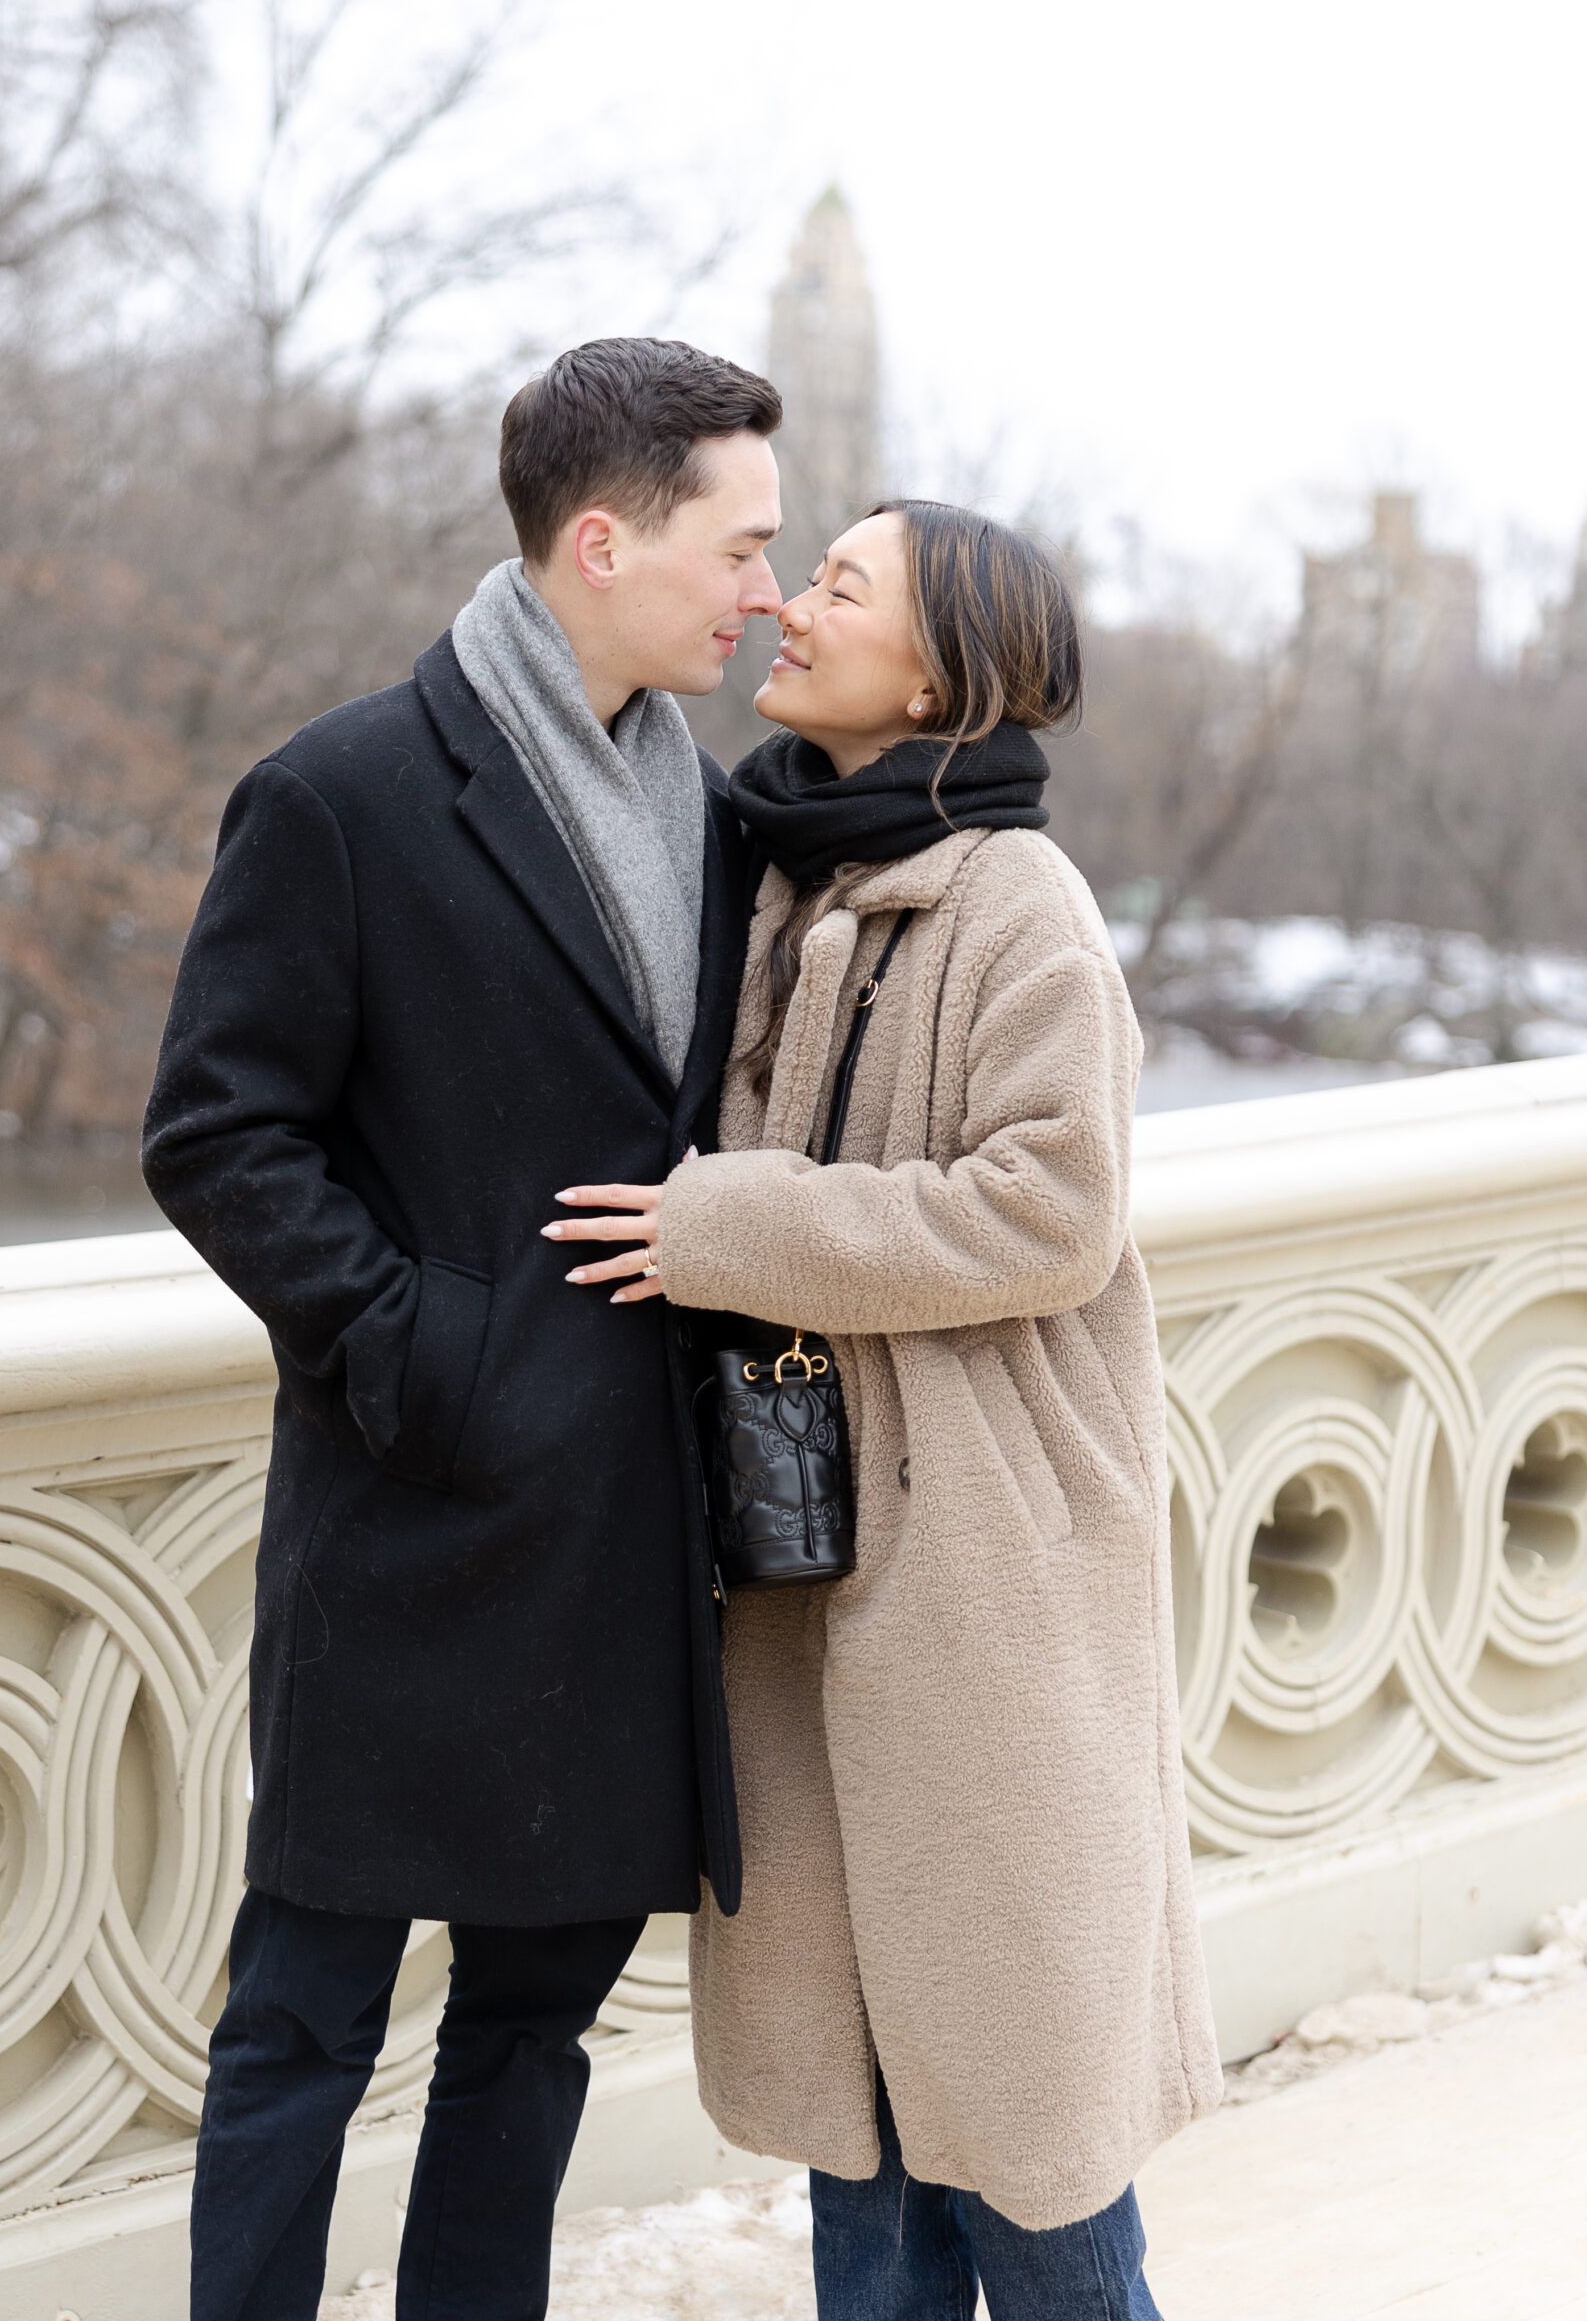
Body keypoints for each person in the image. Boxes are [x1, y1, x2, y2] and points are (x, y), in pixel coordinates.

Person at [141, 337, 784, 2321]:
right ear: (600, 539)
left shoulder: (731, 823)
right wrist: (426, 1342)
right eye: (739, 546)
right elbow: (216, 1129)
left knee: (531, 2031)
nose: (763, 587)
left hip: (624, 1543)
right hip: (412, 1513)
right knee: (302, 2020)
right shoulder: (339, 791)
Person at [551, 499, 1223, 2318]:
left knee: (1028, 2156)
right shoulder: (782, 867)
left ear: (935, 669)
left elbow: (1053, 1211)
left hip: (982, 1562)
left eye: (837, 585)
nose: (786, 602)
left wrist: (730, 1228)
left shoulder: (1024, 909)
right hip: (805, 1556)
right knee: (862, 2140)